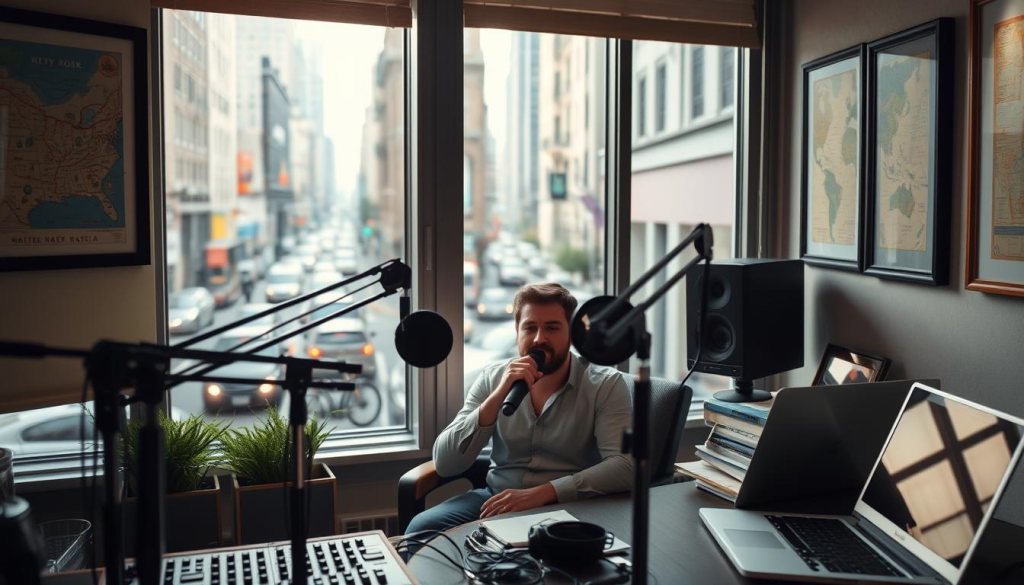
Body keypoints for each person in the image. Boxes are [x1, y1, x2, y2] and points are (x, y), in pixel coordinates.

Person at [405, 283, 633, 536]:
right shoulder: (493, 378)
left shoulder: (606, 384)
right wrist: (499, 394)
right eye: (530, 327)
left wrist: (544, 493)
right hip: (497, 500)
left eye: (552, 328)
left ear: (572, 334)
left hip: (572, 506)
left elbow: (625, 465)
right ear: (517, 331)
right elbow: (446, 464)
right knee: (422, 530)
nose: (539, 338)